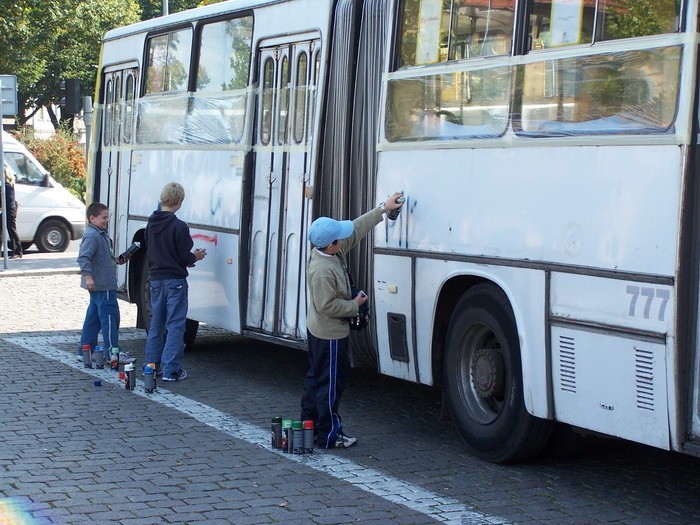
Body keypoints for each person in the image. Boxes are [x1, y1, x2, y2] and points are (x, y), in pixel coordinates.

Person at [300, 192, 404, 449]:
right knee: (330, 385)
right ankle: (329, 434)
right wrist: (354, 305)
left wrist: (382, 209)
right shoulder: (323, 270)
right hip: (330, 335)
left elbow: (356, 229)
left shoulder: (326, 253)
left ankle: (309, 425)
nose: (344, 238)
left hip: (318, 332)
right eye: (340, 237)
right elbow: (327, 306)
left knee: (316, 379)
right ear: (332, 244)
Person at [144, 182, 206, 382]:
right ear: (179, 202)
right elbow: (183, 256)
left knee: (157, 324)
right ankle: (171, 370)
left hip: (156, 279)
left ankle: (151, 367)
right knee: (176, 325)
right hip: (175, 281)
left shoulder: (150, 224)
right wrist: (195, 257)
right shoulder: (179, 226)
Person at [78, 202, 125, 352]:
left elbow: (100, 256)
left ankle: (86, 350)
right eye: (103, 217)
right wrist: (88, 277)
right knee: (110, 319)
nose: (106, 220)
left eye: (107, 217)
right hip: (103, 285)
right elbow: (83, 257)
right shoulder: (93, 235)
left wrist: (115, 260)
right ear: (92, 218)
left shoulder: (98, 234)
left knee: (93, 319)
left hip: (100, 285)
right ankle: (112, 353)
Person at [2, 167, 23, 259]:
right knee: (10, 230)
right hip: (8, 210)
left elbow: (8, 200)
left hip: (9, 210)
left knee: (12, 230)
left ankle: (18, 251)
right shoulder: (8, 185)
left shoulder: (7, 186)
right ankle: (17, 251)